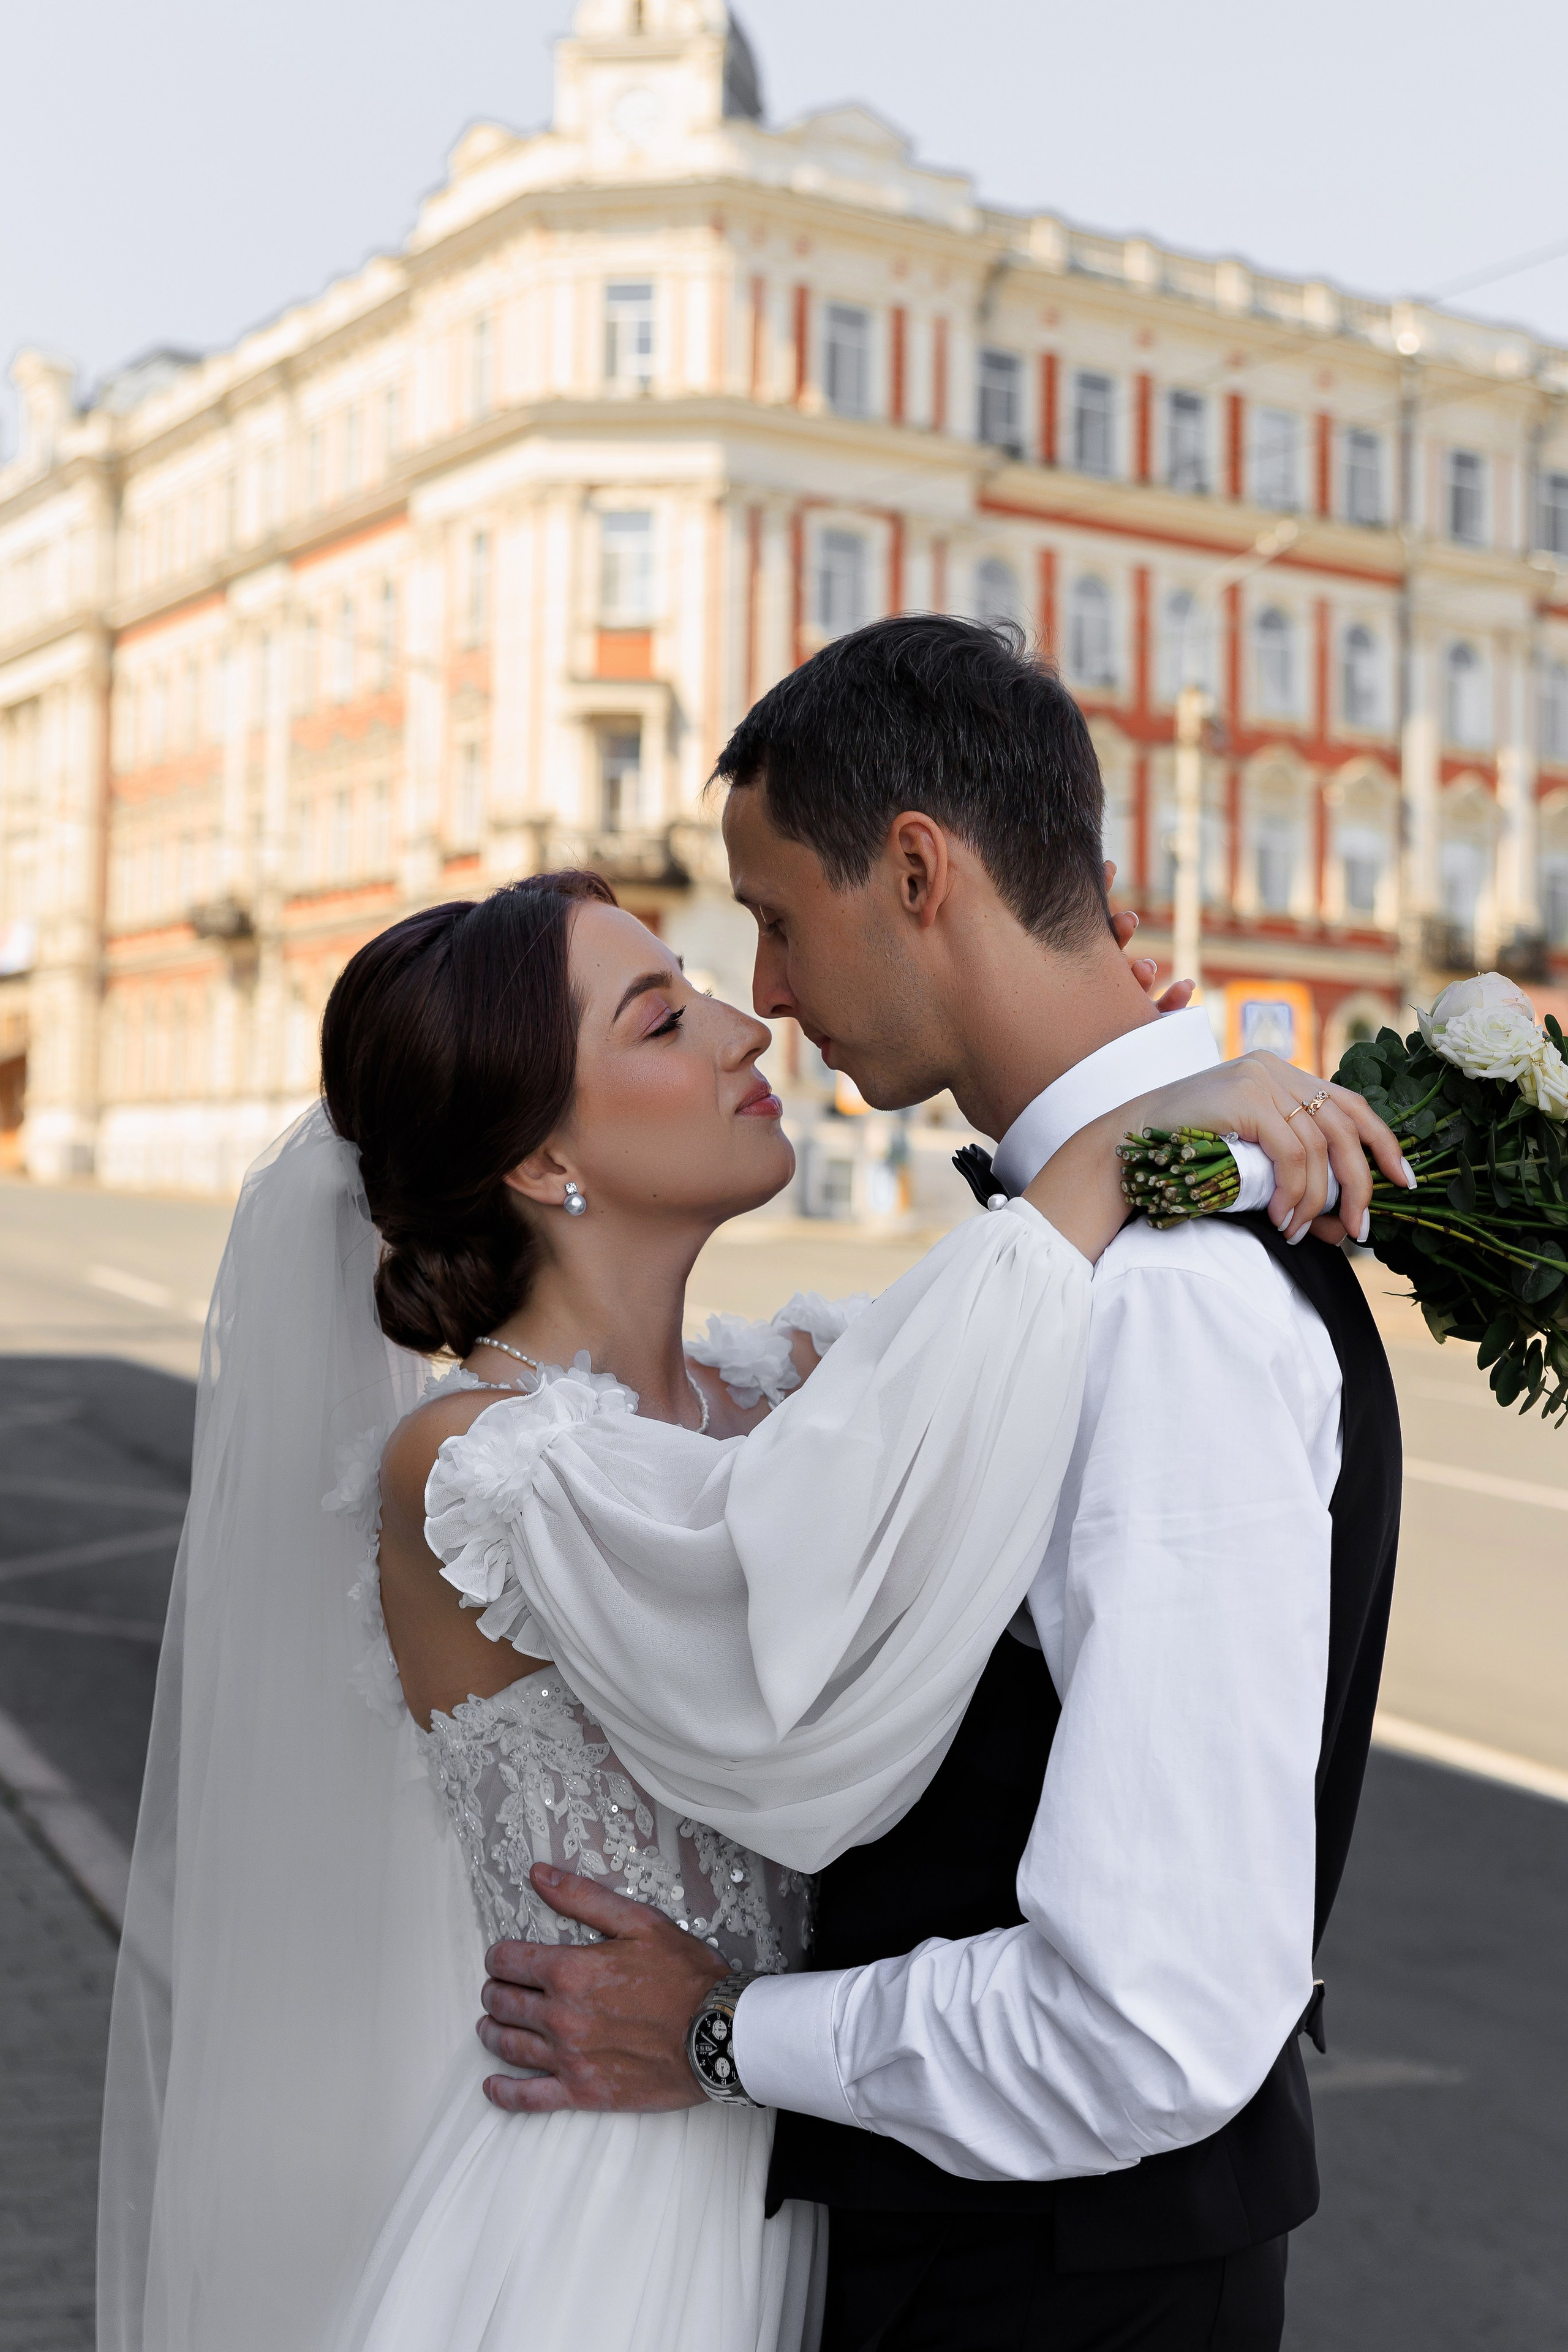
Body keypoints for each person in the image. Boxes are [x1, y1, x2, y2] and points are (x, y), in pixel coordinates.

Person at [94, 823, 1399, 2347]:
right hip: (610, 2197)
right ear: (539, 1157)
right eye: (662, 1017)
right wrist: (1117, 1140)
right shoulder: (476, 1468)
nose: (745, 1023)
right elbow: (790, 1618)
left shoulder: (781, 1388)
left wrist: (1108, 1077)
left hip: (798, 2151)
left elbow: (963, 1368)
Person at [473, 617, 1409, 2352]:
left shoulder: (1170, 1298)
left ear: (916, 871)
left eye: (775, 917)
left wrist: (722, 2030)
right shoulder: (1090, 1249)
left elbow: (1144, 2020)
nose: (771, 995)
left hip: (1055, 2286)